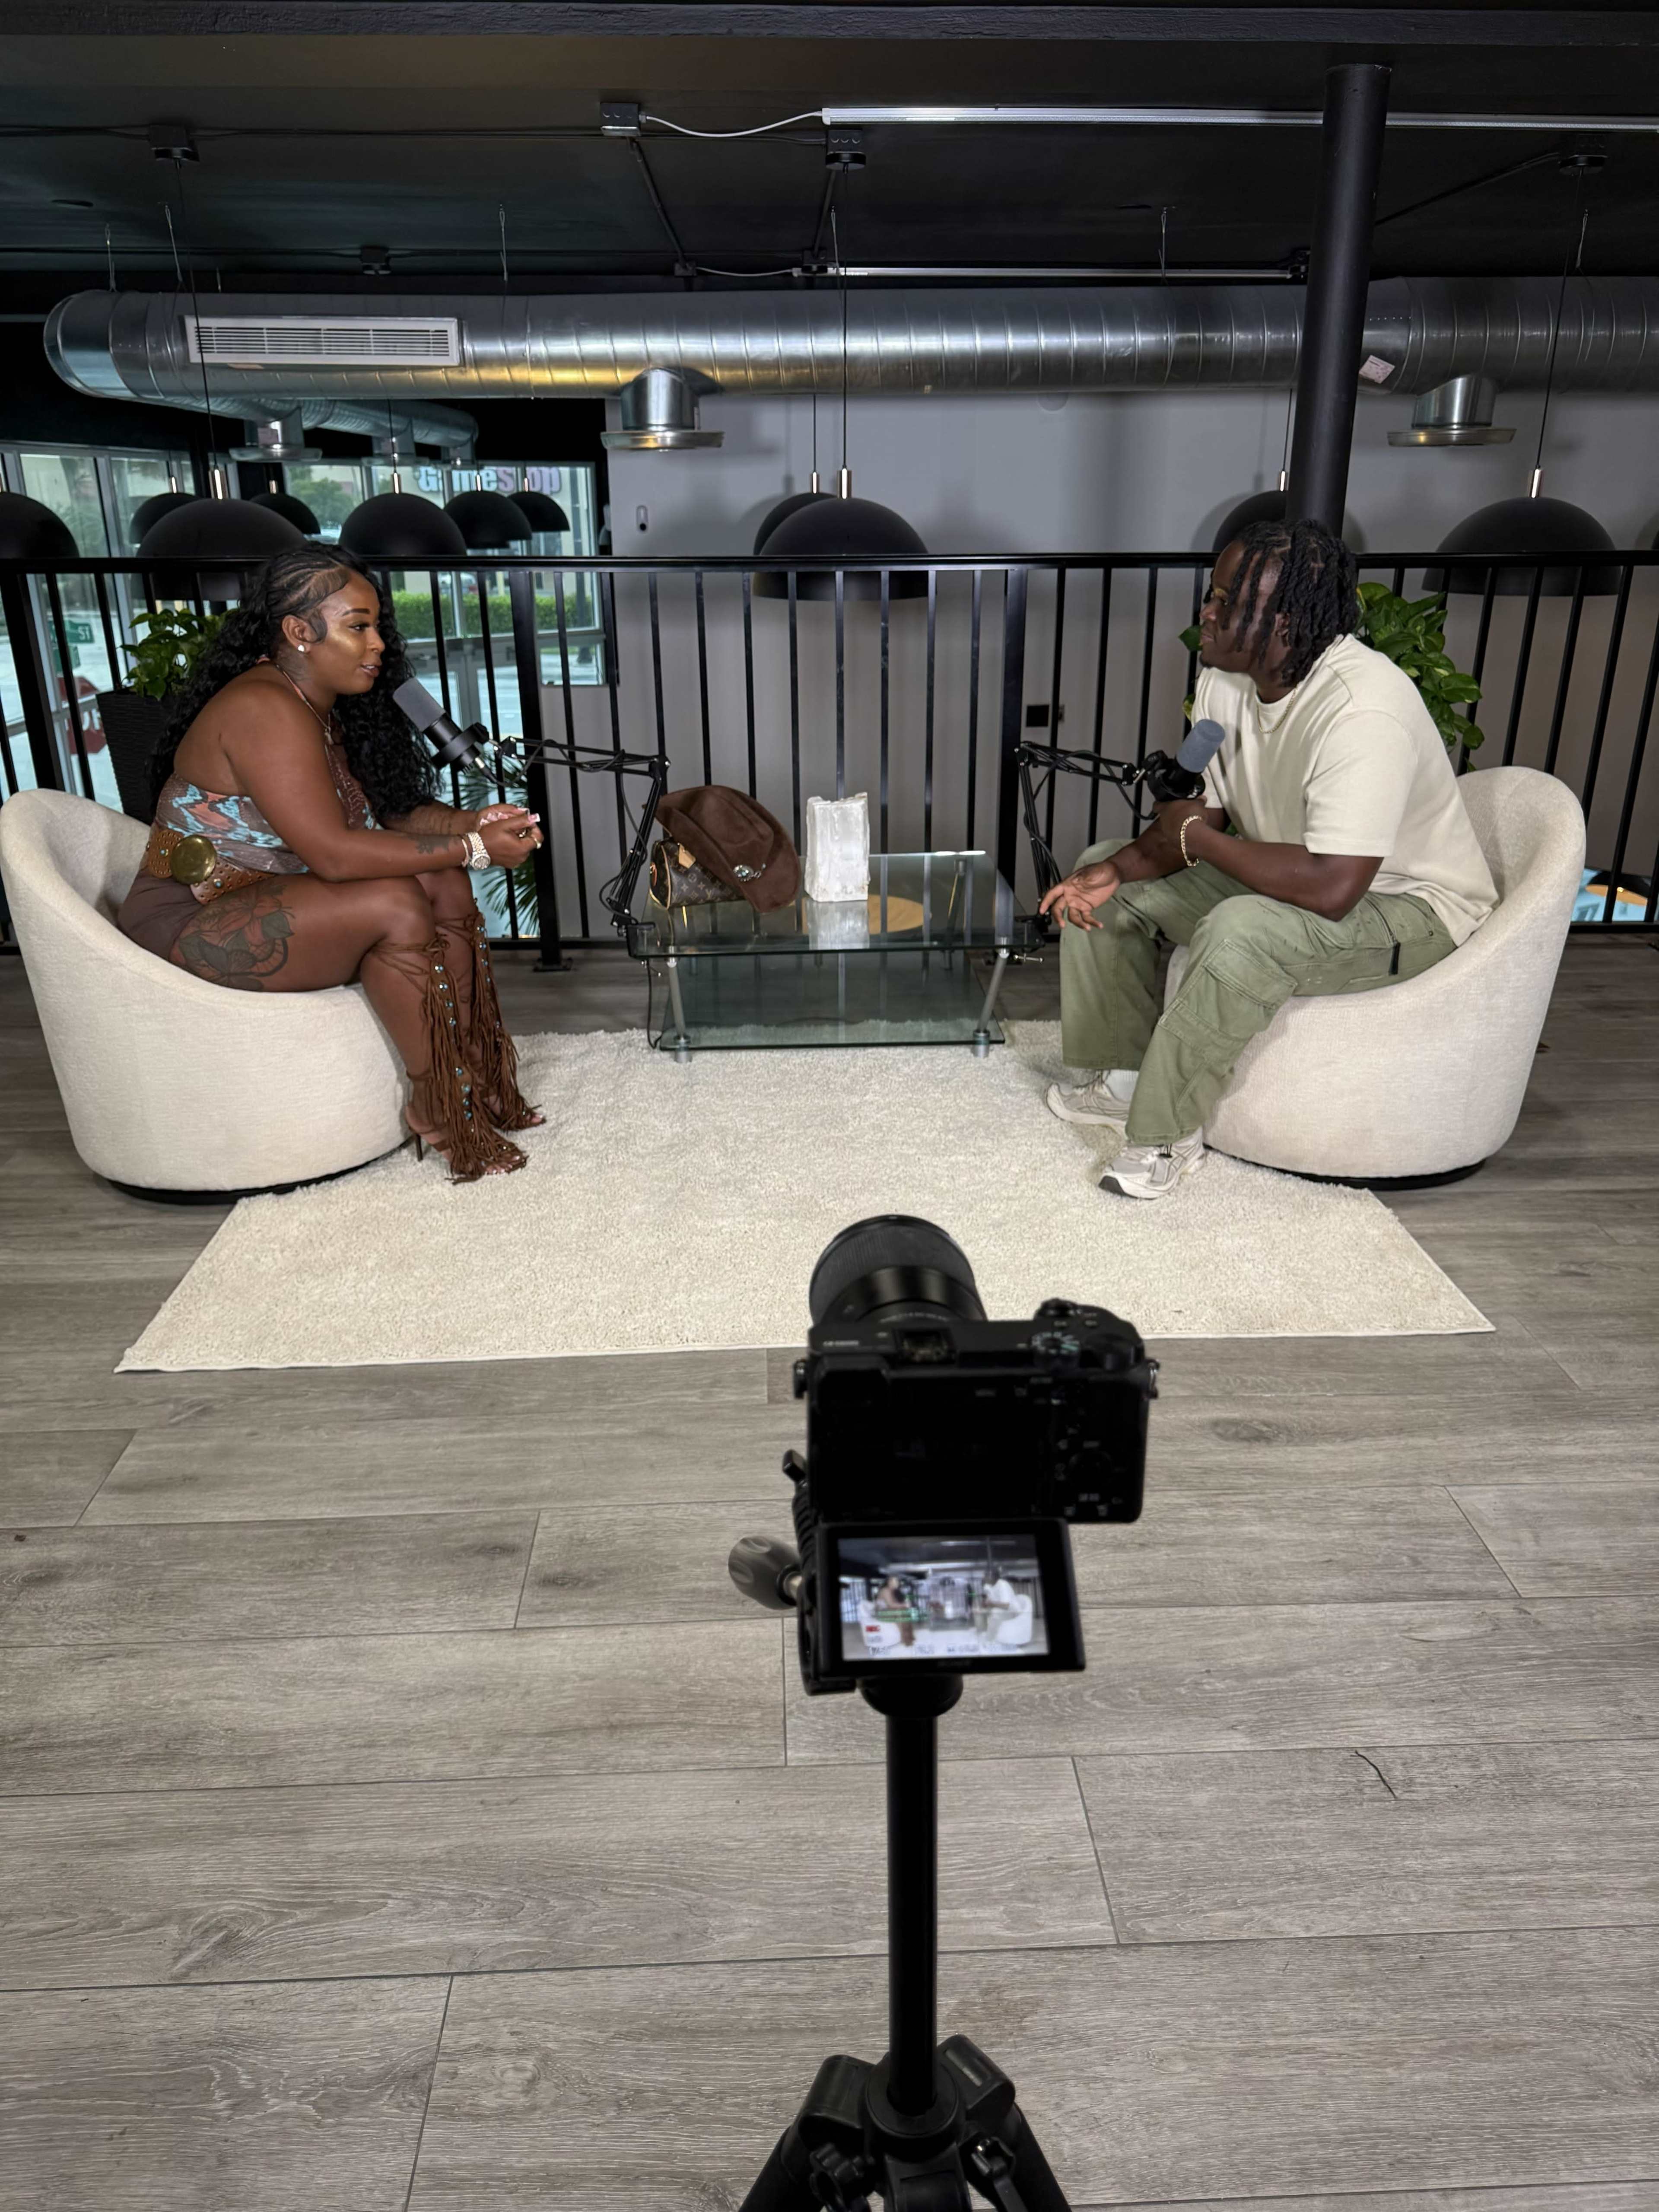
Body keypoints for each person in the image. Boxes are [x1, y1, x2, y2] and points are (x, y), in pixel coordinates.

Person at [1040, 518, 1497, 1201]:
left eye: (1225, 601)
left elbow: (1333, 887)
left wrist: (1196, 840)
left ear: (1282, 623)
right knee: (1112, 873)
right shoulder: (1226, 682)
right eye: (1214, 594)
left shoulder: (1361, 711)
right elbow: (1205, 816)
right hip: (1290, 875)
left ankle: (1167, 1134)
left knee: (1243, 929)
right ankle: (1123, 1073)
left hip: (1407, 907)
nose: (1207, 612)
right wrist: (1117, 871)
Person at [117, 544, 546, 1181]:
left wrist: (468, 826)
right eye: (359, 626)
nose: (378, 644)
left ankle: (475, 1072)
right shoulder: (265, 707)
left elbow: (389, 818)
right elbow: (335, 855)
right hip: (191, 919)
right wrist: (480, 849)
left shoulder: (316, 704)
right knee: (394, 901)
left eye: (376, 626)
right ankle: (438, 1104)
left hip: (268, 893)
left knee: (441, 879)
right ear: (299, 632)